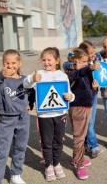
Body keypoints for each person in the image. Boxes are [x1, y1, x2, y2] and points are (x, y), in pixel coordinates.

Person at [23, 47, 74, 181]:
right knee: (46, 142)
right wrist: (31, 78)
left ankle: (57, 164)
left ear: (57, 60)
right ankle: (48, 166)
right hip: (44, 116)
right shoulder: (38, 74)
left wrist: (71, 97)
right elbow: (25, 85)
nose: (46, 62)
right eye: (44, 60)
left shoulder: (63, 76)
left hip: (60, 114)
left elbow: (69, 93)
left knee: (58, 141)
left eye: (49, 59)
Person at [0, 50, 35, 184]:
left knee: (20, 147)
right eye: (7, 63)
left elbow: (32, 91)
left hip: (23, 119)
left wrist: (30, 104)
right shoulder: (1, 81)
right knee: (2, 152)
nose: (10, 66)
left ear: (20, 63)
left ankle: (16, 174)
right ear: (3, 64)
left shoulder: (25, 80)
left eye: (13, 63)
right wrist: (0, 76)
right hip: (6, 120)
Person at [65, 48, 100, 179]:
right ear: (75, 61)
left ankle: (76, 158)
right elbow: (78, 74)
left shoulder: (87, 71)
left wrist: (95, 88)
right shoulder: (71, 72)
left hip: (87, 106)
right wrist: (89, 67)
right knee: (79, 137)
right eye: (84, 61)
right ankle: (79, 165)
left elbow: (91, 88)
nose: (86, 64)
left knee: (82, 134)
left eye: (87, 62)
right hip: (78, 107)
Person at [78, 41, 104, 158]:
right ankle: (93, 146)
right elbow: (67, 65)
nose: (93, 55)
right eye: (90, 53)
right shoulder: (80, 63)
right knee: (88, 121)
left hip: (93, 94)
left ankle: (87, 144)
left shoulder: (96, 58)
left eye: (94, 52)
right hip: (83, 95)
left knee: (90, 120)